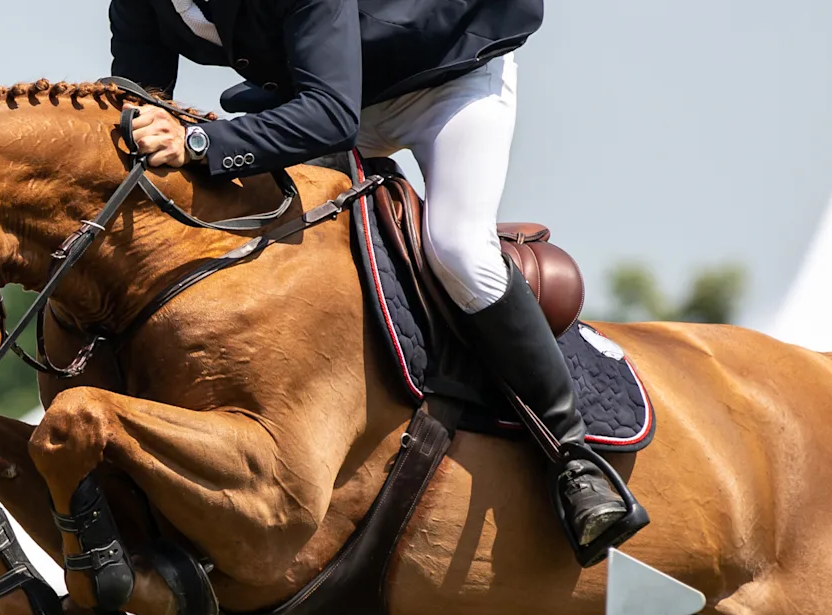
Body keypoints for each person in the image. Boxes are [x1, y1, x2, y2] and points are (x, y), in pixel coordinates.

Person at [108, 0, 645, 558]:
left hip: (444, 80)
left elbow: (330, 118)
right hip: (327, 93)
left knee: (458, 248)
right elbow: (137, 104)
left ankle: (573, 455)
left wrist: (200, 143)